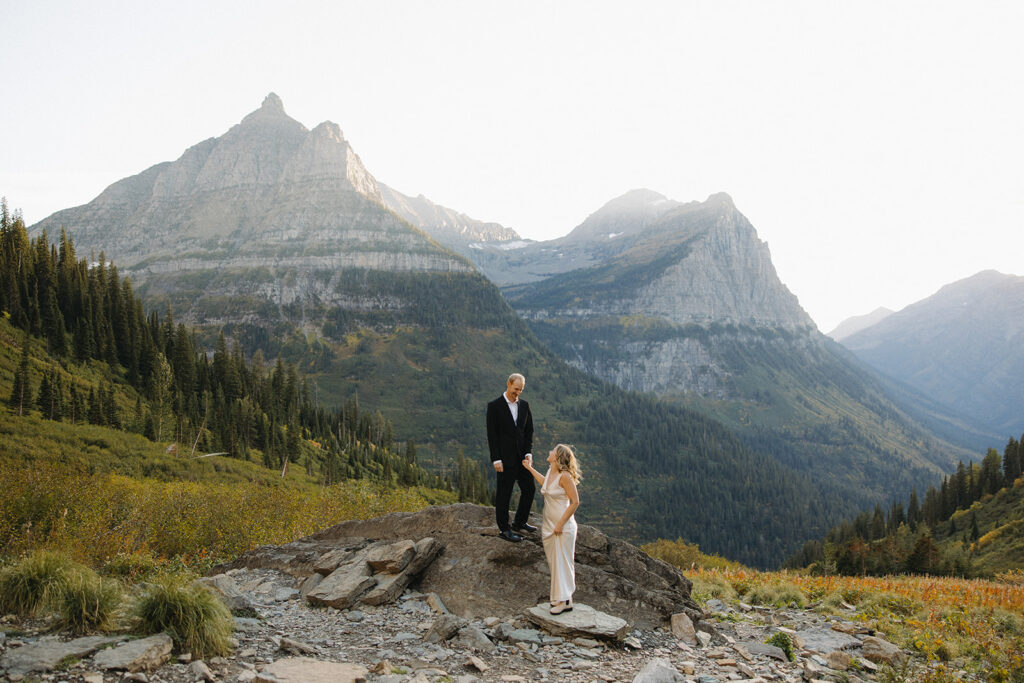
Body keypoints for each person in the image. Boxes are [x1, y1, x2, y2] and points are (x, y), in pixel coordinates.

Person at [524, 443, 581, 614]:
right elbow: (545, 485)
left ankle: (563, 599)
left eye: (553, 451)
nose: (549, 452)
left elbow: (575, 502)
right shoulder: (551, 471)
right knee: (555, 563)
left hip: (562, 526)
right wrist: (530, 469)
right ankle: (564, 599)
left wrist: (560, 524)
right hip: (549, 524)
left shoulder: (565, 476)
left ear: (557, 457)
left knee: (563, 562)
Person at [486, 373, 536, 542]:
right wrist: (496, 459)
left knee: (529, 489)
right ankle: (504, 530)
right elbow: (492, 435)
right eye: (515, 389)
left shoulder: (525, 406)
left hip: (522, 459)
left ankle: (520, 522)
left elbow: (529, 431)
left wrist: (528, 453)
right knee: (504, 495)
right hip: (504, 460)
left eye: (520, 390)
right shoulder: (494, 406)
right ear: (508, 384)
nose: (517, 393)